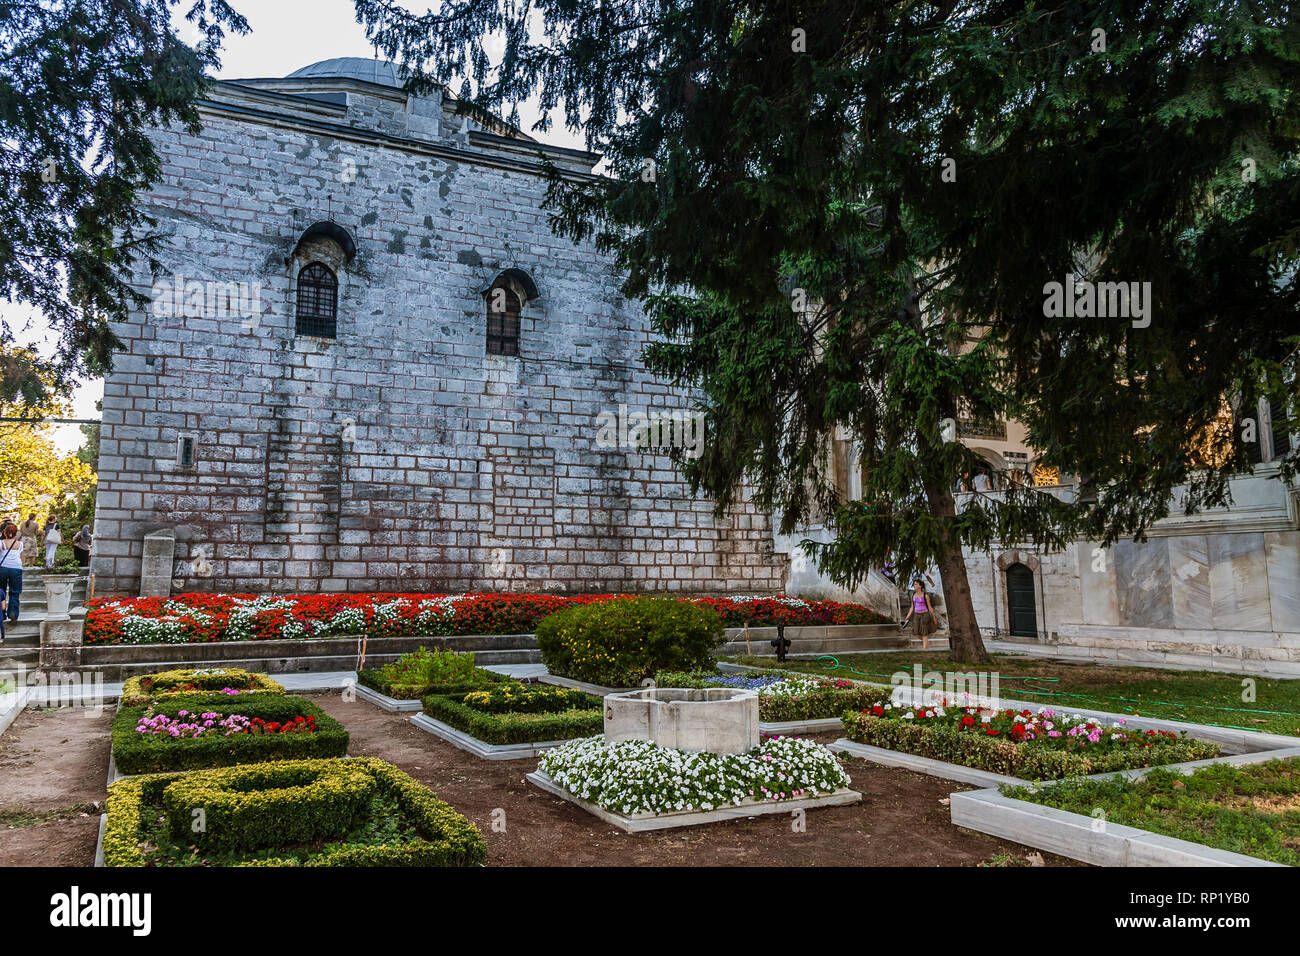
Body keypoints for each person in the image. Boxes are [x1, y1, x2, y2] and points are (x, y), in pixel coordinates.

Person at [900, 577, 939, 651]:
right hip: (916, 615)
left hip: (925, 615)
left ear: (920, 586)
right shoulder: (913, 595)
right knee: (916, 632)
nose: (914, 586)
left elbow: (930, 607)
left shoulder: (925, 596)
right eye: (914, 584)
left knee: (924, 632)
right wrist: (908, 615)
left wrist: (934, 617)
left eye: (916, 584)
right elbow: (912, 606)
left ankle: (925, 649)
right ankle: (926, 642)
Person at [0, 522, 23, 632]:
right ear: (15, 534)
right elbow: (22, 558)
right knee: (15, 591)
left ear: (5, 533)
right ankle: (13, 612)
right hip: (16, 569)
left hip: (3, 568)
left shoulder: (1, 543)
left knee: (1, 591)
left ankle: (2, 614)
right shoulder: (20, 544)